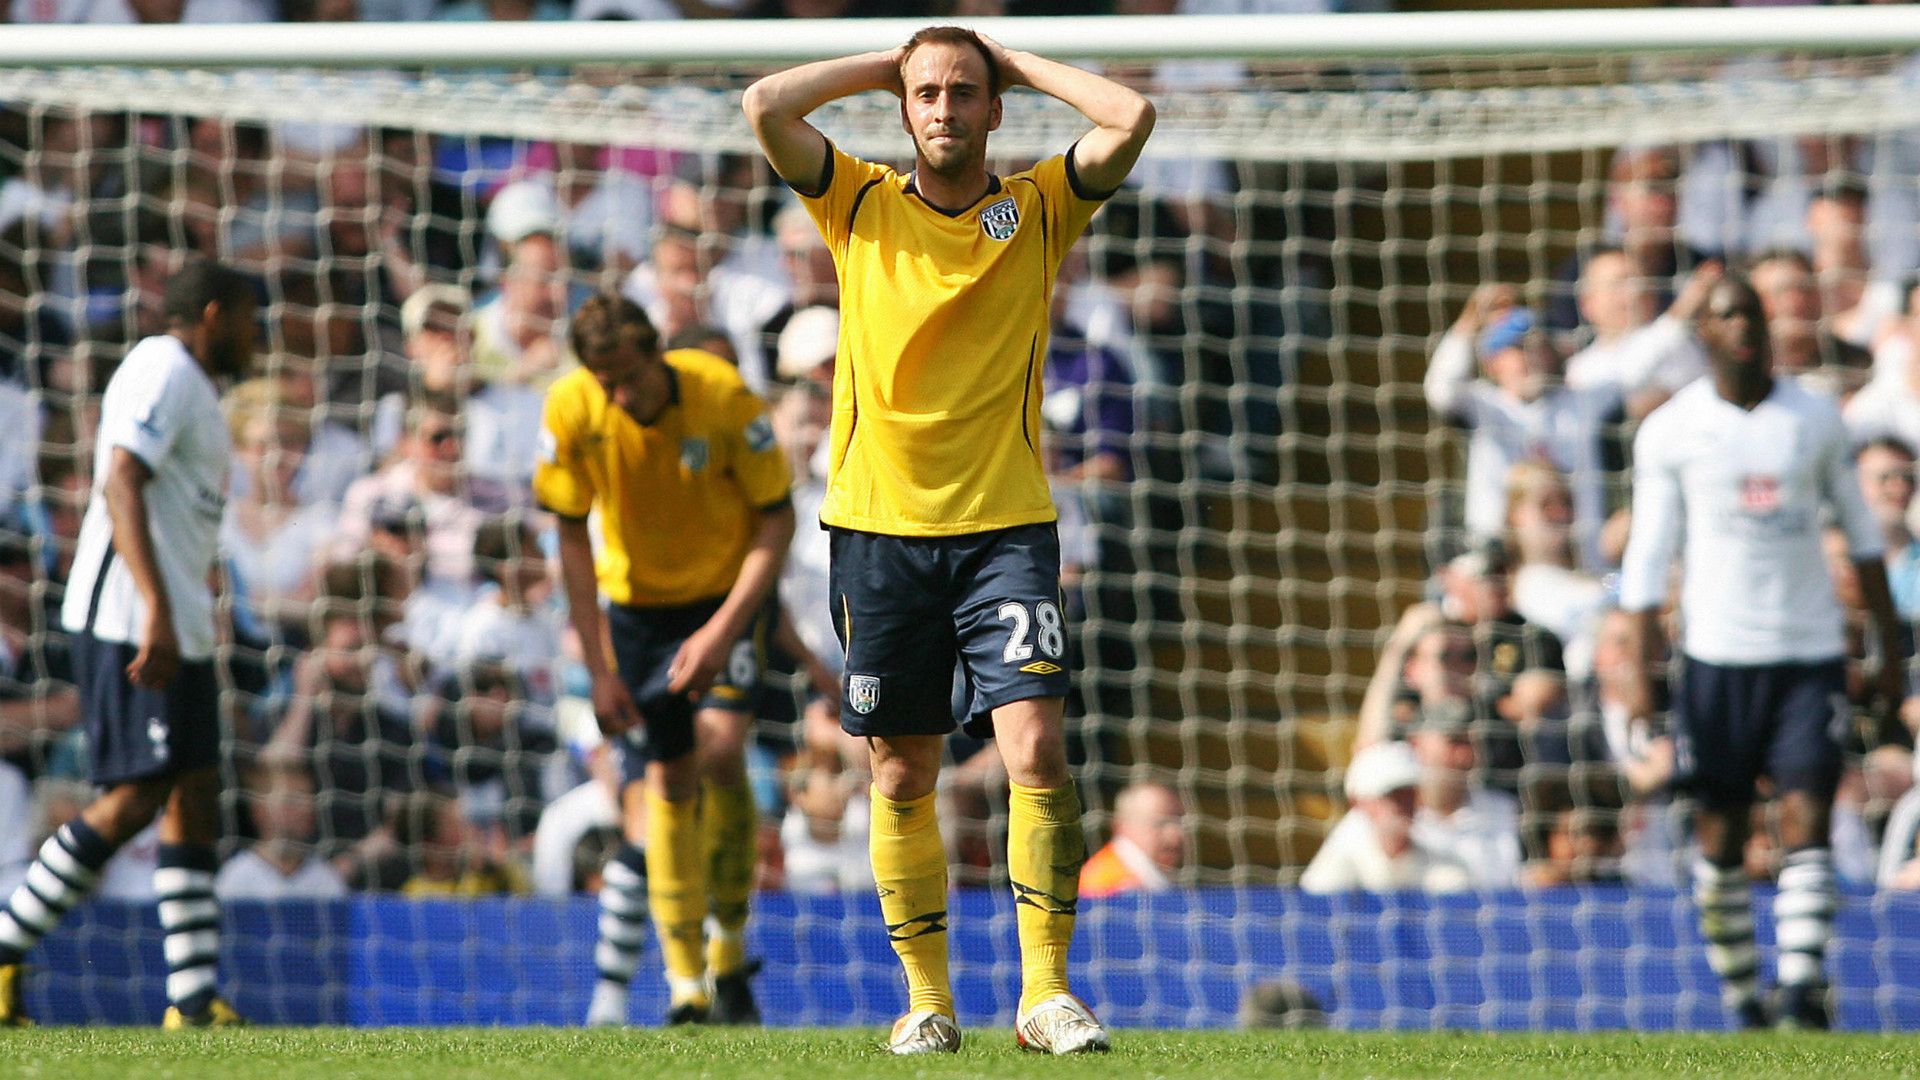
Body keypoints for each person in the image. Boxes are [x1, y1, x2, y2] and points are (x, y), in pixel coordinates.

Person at [743, 23, 1153, 1056]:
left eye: (964, 91)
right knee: (898, 771)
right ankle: (927, 1001)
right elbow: (765, 104)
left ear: (994, 109)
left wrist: (1015, 59)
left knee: (1038, 747)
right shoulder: (858, 201)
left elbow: (1131, 116)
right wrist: (892, 61)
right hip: (879, 532)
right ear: (902, 106)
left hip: (1006, 528)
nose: (943, 108)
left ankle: (1046, 995)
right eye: (925, 93)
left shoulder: (1039, 207)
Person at [1617, 274, 1907, 1031]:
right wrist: (1640, 675)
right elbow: (1647, 558)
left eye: (1752, 313)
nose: (1743, 325)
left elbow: (1863, 538)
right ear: (1704, 334)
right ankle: (1745, 997)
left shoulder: (1814, 418)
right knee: (1721, 833)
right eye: (1726, 315)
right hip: (1716, 660)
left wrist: (1888, 651)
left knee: (1809, 811)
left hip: (1808, 653)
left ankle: (1802, 994)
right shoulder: (1672, 430)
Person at [0, 258, 256, 1028]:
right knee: (138, 794)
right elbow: (119, 479)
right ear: (212, 315)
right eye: (249, 318)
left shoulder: (194, 386)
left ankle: (192, 997)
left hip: (176, 619)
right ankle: (4, 948)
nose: (257, 335)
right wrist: (154, 609)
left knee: (195, 790)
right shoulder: (162, 367)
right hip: (129, 619)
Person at [535, 293, 793, 1027]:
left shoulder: (724, 397)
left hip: (723, 600)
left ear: (659, 354)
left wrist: (721, 632)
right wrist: (600, 668)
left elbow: (777, 518)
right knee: (669, 777)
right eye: (604, 382)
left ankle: (728, 942)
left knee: (722, 747)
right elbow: (571, 536)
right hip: (639, 612)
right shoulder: (571, 408)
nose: (618, 395)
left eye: (629, 378)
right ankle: (689, 983)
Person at [1078, 780, 1186, 898]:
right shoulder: (1106, 885)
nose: (1176, 834)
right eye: (1160, 823)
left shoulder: (1148, 878)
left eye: (1180, 822)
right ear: (1121, 826)